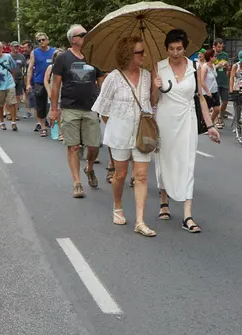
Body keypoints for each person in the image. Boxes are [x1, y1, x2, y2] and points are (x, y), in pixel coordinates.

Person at [92, 36, 161, 237]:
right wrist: (115, 125)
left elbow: (152, 101)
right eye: (140, 52)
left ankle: (140, 220)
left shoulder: (147, 75)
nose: (144, 55)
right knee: (120, 175)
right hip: (119, 134)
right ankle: (117, 206)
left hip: (143, 133)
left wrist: (156, 86)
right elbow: (102, 109)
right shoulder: (113, 78)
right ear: (128, 54)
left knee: (140, 176)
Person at [154, 29, 221, 233]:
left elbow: (200, 97)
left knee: (187, 162)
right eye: (172, 49)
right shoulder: (158, 67)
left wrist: (210, 126)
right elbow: (152, 102)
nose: (176, 53)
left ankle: (187, 215)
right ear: (166, 49)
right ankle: (164, 200)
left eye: (180, 49)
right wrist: (154, 88)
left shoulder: (194, 66)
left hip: (188, 119)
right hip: (165, 119)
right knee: (165, 159)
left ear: (185, 48)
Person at [49, 25, 105, 199]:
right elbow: (56, 85)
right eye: (82, 35)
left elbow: (101, 79)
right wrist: (53, 109)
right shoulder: (63, 58)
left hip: (91, 108)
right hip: (70, 108)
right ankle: (77, 183)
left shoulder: (93, 56)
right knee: (73, 147)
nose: (86, 37)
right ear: (73, 39)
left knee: (94, 146)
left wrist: (105, 100)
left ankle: (89, 167)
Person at [26, 32, 56, 137]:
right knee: (40, 105)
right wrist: (28, 83)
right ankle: (43, 127)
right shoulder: (35, 52)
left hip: (52, 82)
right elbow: (30, 68)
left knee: (54, 105)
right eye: (39, 41)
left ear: (47, 40)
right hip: (39, 82)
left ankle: (55, 127)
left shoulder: (54, 51)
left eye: (43, 40)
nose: (42, 42)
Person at [212, 39, 231, 128]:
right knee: (216, 103)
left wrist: (227, 66)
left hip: (224, 81)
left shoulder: (225, 55)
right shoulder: (211, 55)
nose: (220, 48)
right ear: (214, 46)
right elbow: (208, 69)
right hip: (215, 82)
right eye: (218, 47)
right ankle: (216, 120)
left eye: (221, 47)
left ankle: (221, 116)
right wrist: (217, 66)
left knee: (225, 101)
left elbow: (228, 69)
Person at [200, 49, 222, 127]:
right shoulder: (205, 67)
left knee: (217, 109)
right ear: (210, 57)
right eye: (214, 56)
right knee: (207, 110)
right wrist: (207, 91)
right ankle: (206, 125)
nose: (216, 58)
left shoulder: (213, 66)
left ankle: (210, 123)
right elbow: (202, 81)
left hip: (215, 90)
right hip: (207, 92)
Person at [9, 42, 28, 120]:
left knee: (18, 97)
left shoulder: (22, 56)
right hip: (9, 79)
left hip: (19, 79)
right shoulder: (8, 56)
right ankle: (8, 113)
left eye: (17, 47)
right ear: (11, 47)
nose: (16, 48)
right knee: (10, 97)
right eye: (15, 47)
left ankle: (15, 114)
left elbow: (25, 68)